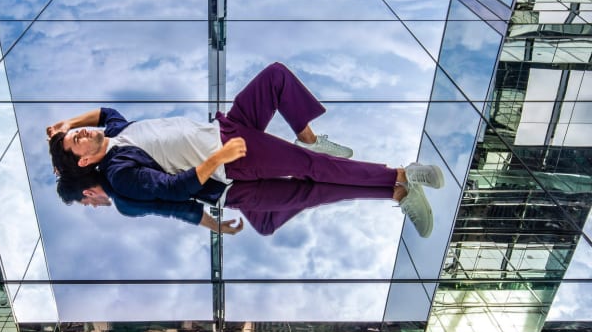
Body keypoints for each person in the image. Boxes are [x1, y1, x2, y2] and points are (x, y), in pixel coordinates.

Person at [47, 62, 444, 237]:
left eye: (80, 132)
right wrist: (218, 159)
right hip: (230, 159)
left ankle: (312, 139)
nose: (83, 134)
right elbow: (173, 191)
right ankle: (401, 180)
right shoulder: (120, 170)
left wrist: (68, 123)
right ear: (84, 160)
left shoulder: (118, 132)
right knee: (314, 172)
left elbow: (106, 110)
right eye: (76, 142)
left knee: (275, 78)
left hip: (225, 128)